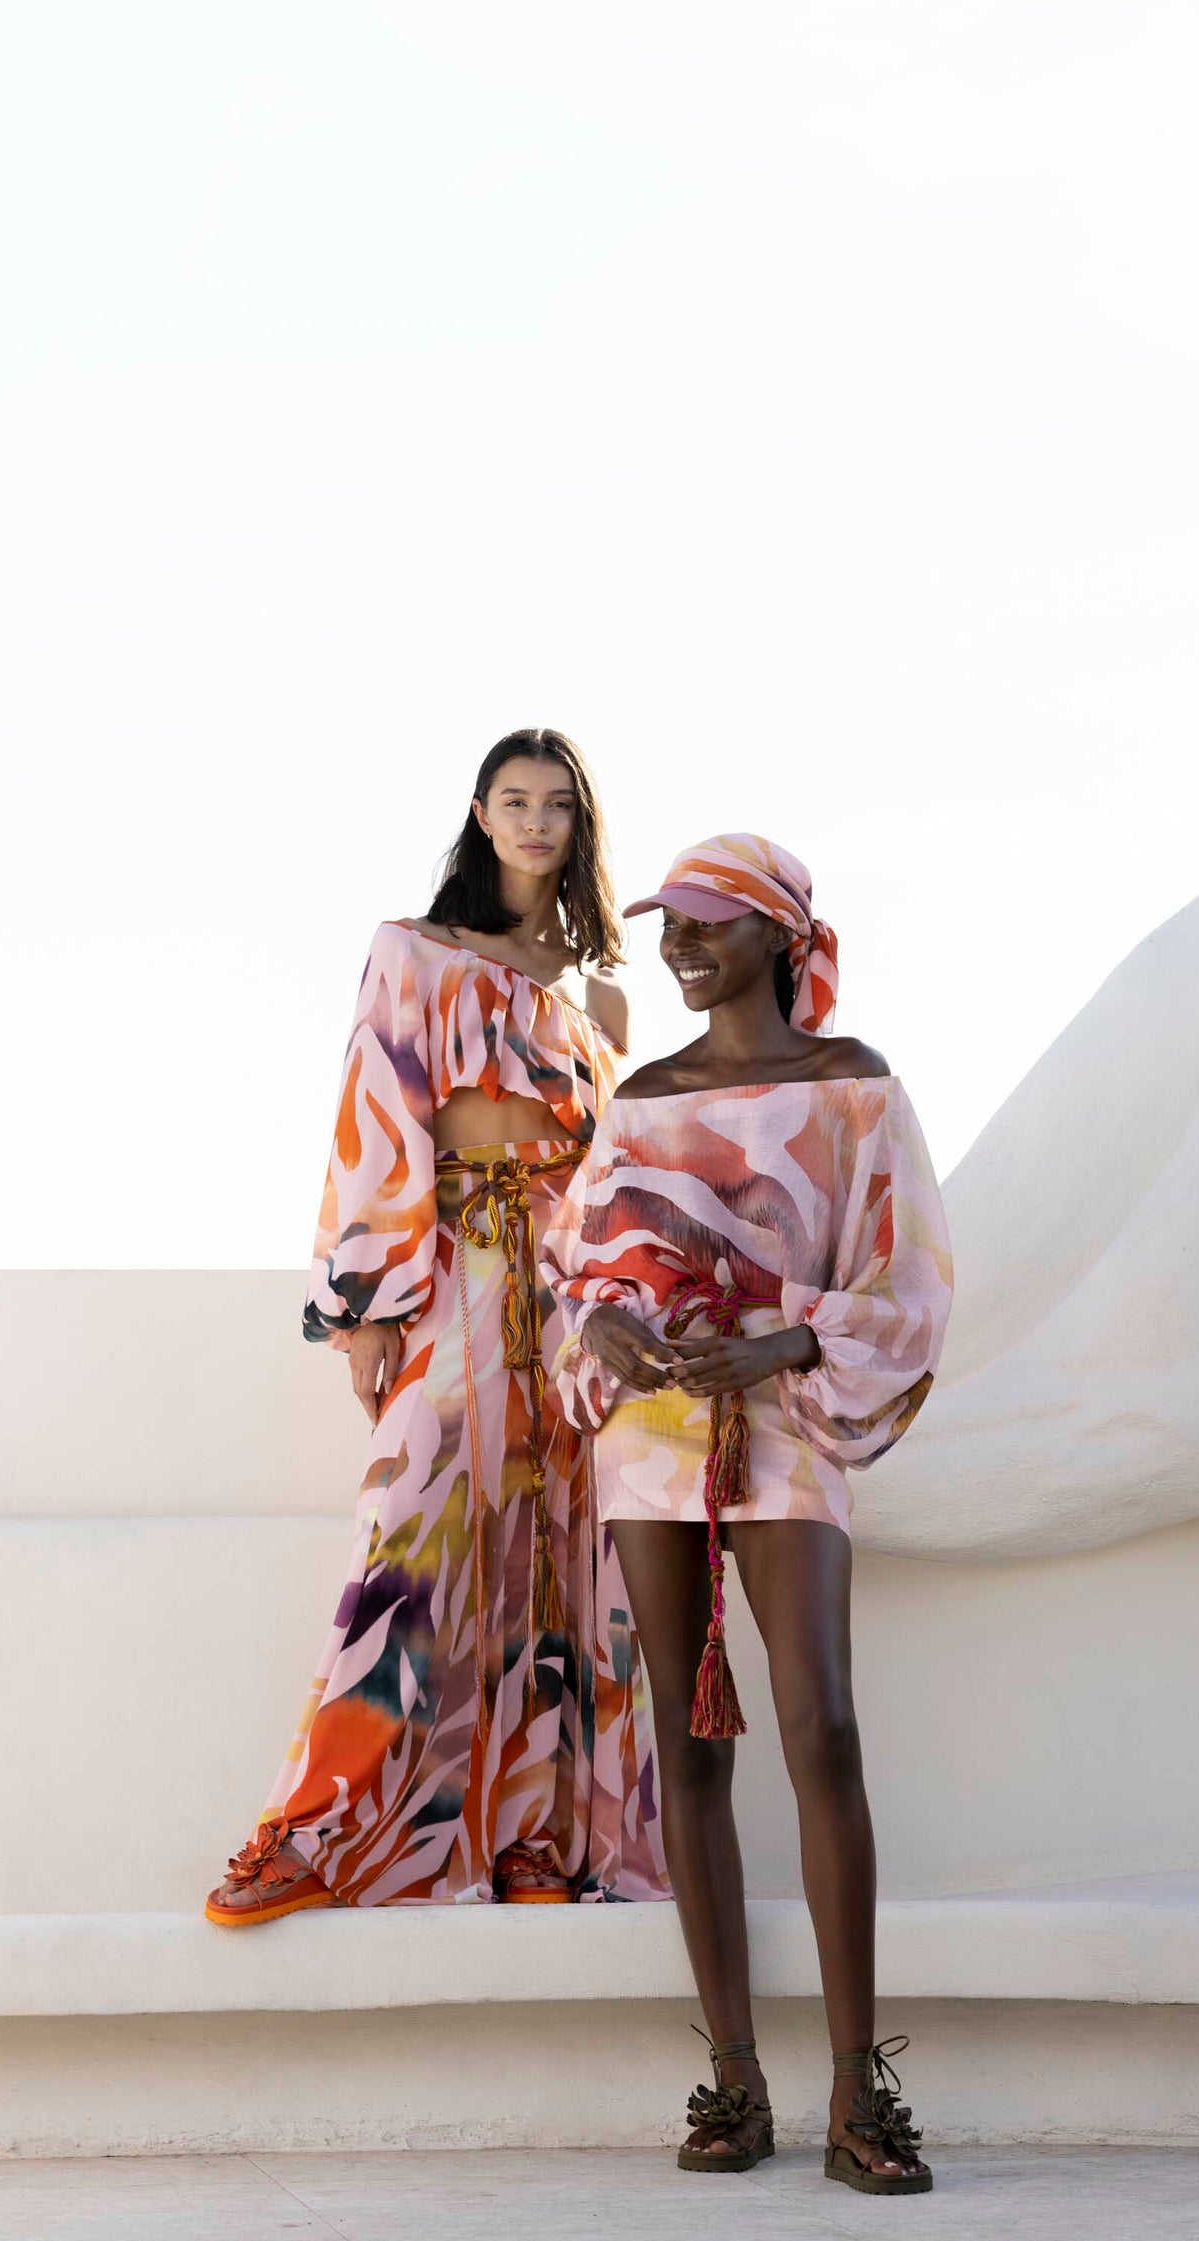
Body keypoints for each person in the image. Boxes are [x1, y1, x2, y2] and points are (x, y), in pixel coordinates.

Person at [542, 833, 952, 2193]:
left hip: (786, 1426)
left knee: (820, 1725)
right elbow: (581, 1270)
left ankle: (858, 2096)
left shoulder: (854, 1090)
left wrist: (780, 1346)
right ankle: (734, 2077)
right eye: (669, 925)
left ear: (780, 936)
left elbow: (909, 1285)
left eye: (707, 923)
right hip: (654, 1440)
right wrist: (606, 1329)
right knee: (688, 1743)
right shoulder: (643, 1096)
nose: (676, 944)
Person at [206, 732, 666, 1920]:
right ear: (480, 813)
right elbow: (375, 1105)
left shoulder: (599, 992)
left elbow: (615, 1169)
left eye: (556, 804)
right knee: (409, 1540)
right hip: (456, 1264)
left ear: (580, 825)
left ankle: (533, 1841)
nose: (534, 821)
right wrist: (365, 1313)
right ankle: (315, 1830)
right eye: (514, 801)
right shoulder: (412, 951)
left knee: (564, 1550)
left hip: (566, 1294)